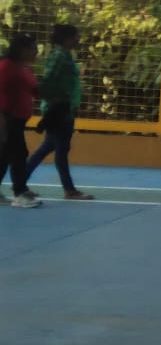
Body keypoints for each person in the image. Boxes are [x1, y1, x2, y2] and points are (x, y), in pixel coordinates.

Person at [25, 24, 93, 201]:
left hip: (63, 107)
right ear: (66, 39)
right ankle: (69, 190)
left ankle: (21, 181)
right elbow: (49, 81)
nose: (78, 39)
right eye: (76, 36)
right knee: (61, 149)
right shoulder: (59, 57)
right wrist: (53, 103)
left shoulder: (64, 56)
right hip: (60, 109)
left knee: (49, 147)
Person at [0, 33, 40, 208]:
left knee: (5, 155)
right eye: (33, 49)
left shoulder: (24, 68)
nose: (36, 52)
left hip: (18, 119)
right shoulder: (6, 67)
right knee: (18, 154)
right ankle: (20, 193)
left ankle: (20, 190)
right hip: (7, 118)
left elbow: (34, 89)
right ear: (22, 50)